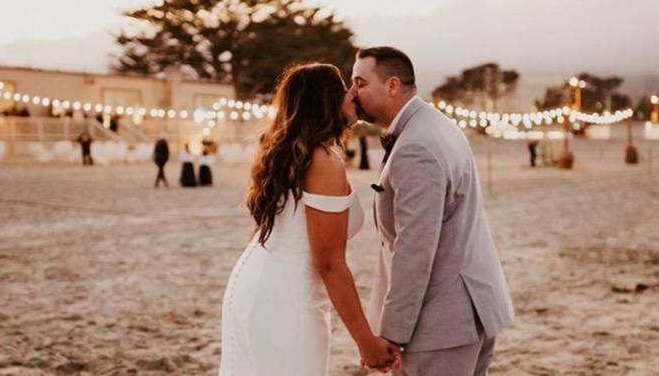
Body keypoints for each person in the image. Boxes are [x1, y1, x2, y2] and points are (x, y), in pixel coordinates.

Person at [219, 63, 401, 376]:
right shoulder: (321, 160)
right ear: (326, 100)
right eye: (344, 89)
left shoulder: (292, 152)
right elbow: (329, 262)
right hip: (285, 297)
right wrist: (365, 342)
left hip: (256, 282)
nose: (351, 96)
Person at [351, 46, 514, 376]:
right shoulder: (437, 124)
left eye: (360, 83)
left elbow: (415, 247)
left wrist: (393, 334)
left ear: (392, 85)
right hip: (471, 309)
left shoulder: (416, 146)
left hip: (442, 322)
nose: (352, 94)